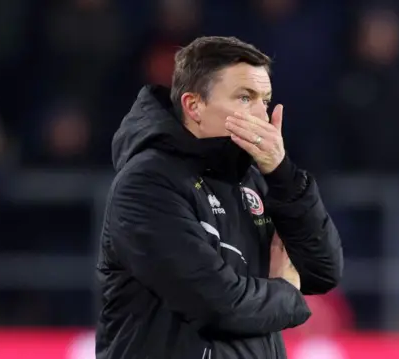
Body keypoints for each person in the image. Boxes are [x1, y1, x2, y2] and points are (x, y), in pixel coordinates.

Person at [95, 36, 343, 359]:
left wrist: (282, 175)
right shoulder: (146, 185)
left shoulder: (256, 180)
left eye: (265, 101)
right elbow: (217, 303)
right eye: (245, 97)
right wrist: (285, 291)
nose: (261, 115)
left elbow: (323, 269)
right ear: (193, 106)